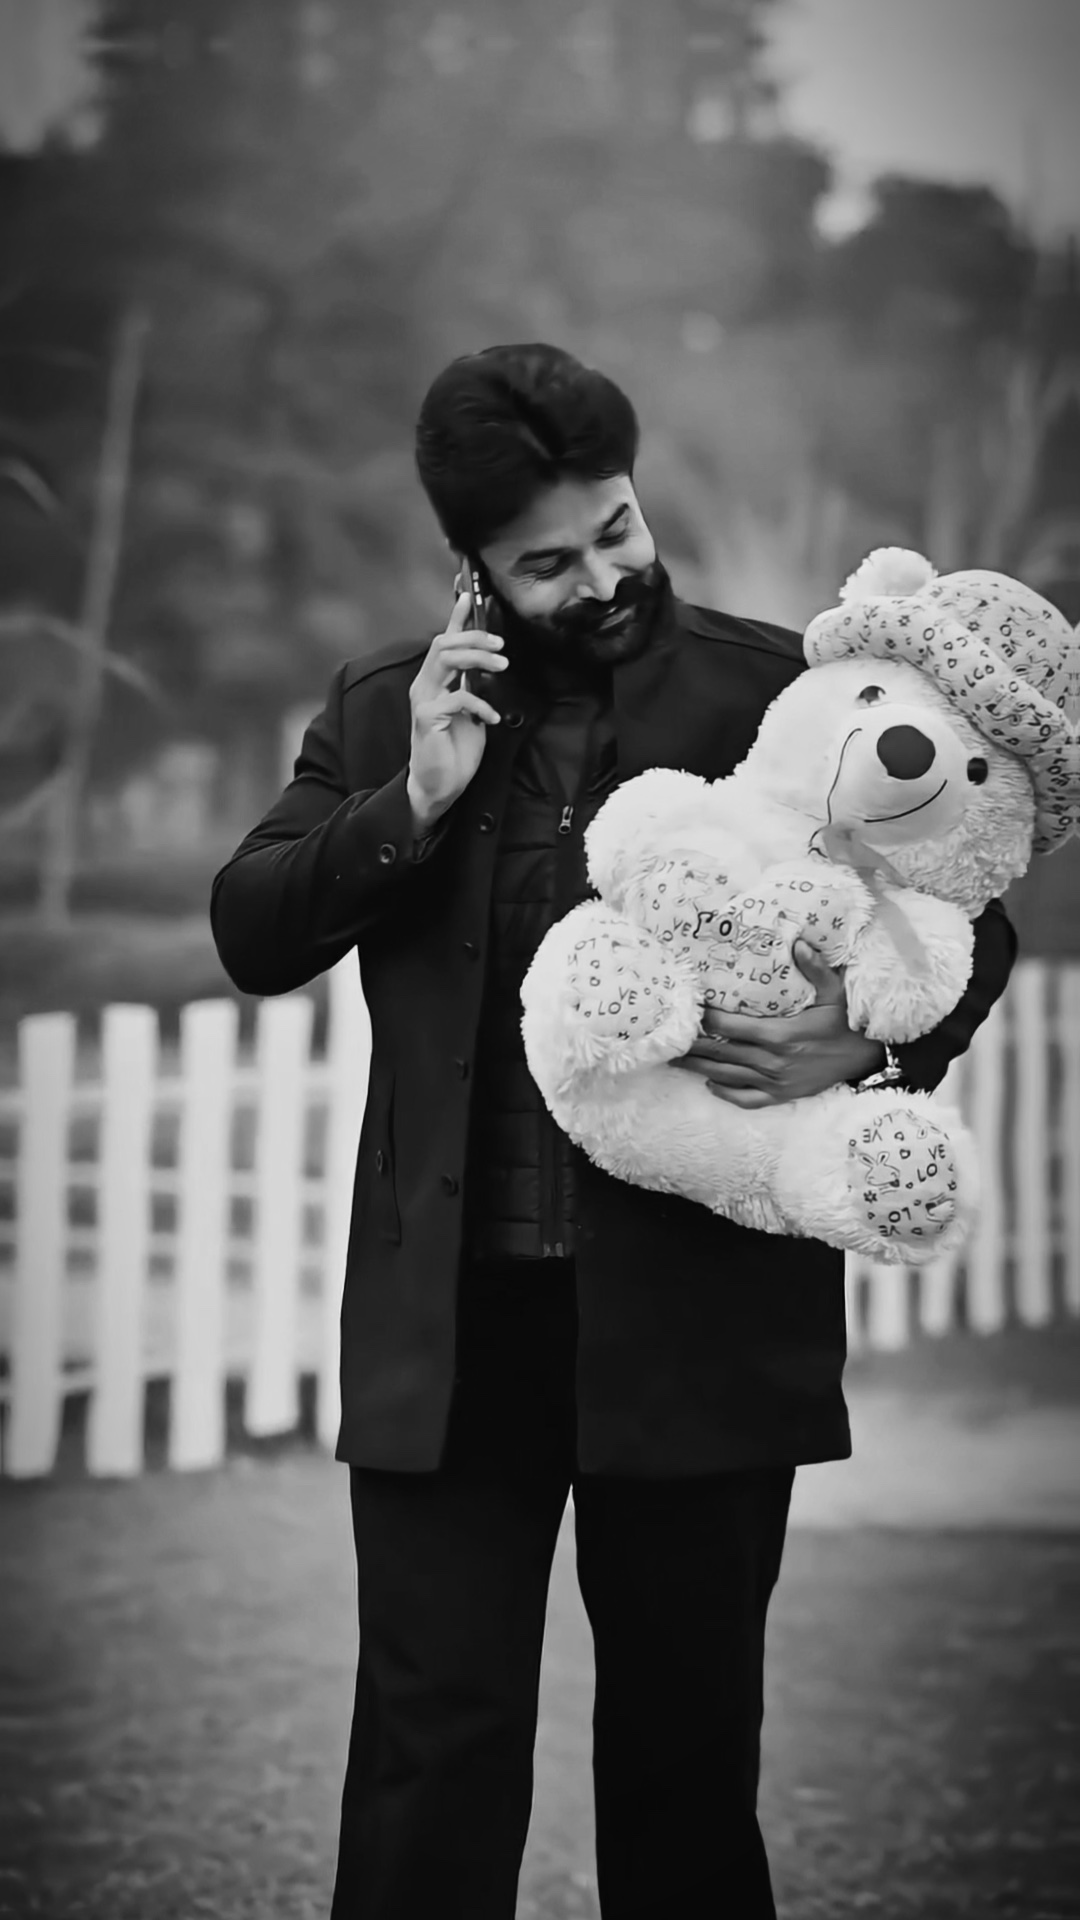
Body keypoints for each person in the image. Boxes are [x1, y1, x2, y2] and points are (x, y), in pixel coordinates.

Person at [210, 344, 1016, 1920]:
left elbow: (976, 921)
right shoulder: (385, 711)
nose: (602, 579)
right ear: (473, 566)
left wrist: (861, 1037)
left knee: (686, 1771)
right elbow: (253, 928)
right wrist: (414, 801)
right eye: (547, 564)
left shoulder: (780, 693)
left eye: (618, 530)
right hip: (456, 1341)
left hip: (705, 1329)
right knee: (428, 1767)